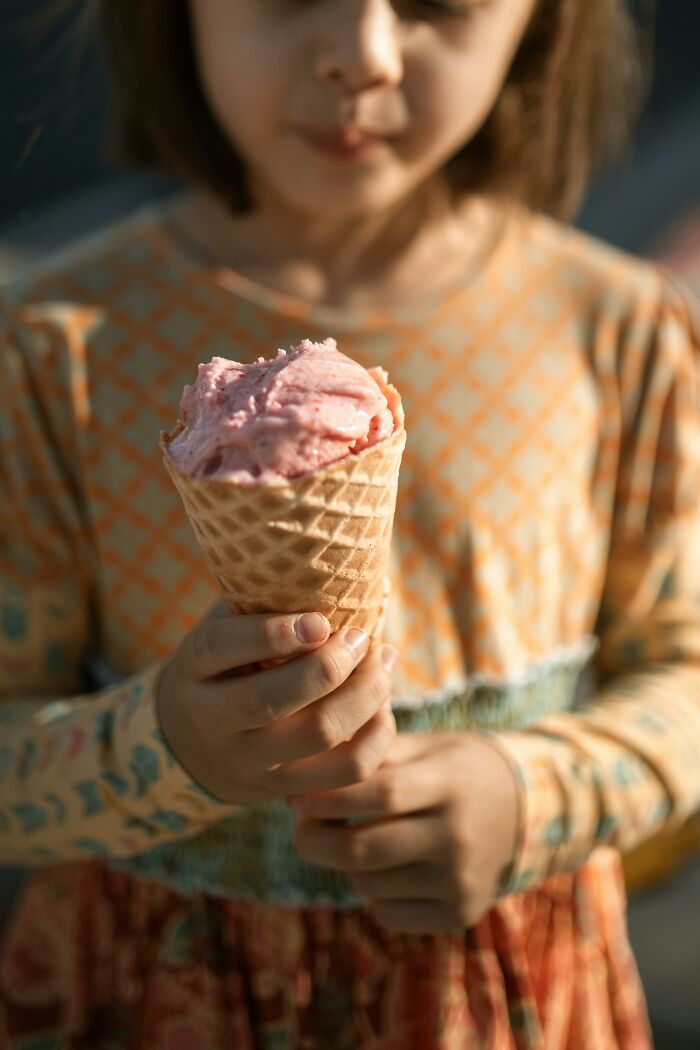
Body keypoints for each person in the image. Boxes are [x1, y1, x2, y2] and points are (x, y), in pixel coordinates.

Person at [1, 0, 699, 1046]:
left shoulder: (620, 331)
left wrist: (532, 792)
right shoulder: (56, 349)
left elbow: (685, 674)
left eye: (437, 4)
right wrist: (162, 747)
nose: (361, 55)